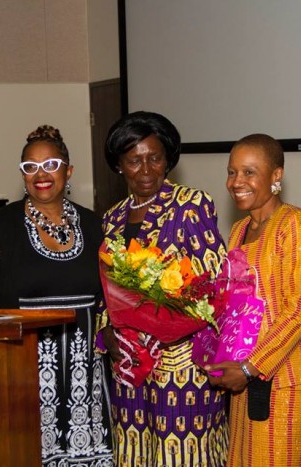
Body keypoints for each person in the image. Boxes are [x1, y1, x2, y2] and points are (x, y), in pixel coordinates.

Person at [0, 125, 112, 466]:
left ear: (68, 171)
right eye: (30, 167)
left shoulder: (95, 227)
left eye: (51, 165)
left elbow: (110, 302)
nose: (41, 175)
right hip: (21, 376)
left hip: (85, 380)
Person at [97, 111, 229, 466]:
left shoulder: (191, 205)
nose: (145, 170)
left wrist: (164, 327)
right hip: (128, 366)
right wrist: (106, 335)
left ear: (168, 159)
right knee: (134, 453)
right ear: (118, 166)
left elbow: (212, 283)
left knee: (185, 457)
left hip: (182, 369)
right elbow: (105, 292)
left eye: (154, 158)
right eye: (134, 160)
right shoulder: (111, 218)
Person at [205, 134, 301, 466]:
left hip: (290, 381)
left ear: (276, 176)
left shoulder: (297, 225)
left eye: (249, 172)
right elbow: (235, 307)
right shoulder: (239, 230)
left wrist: (249, 367)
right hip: (247, 380)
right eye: (232, 172)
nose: (236, 182)